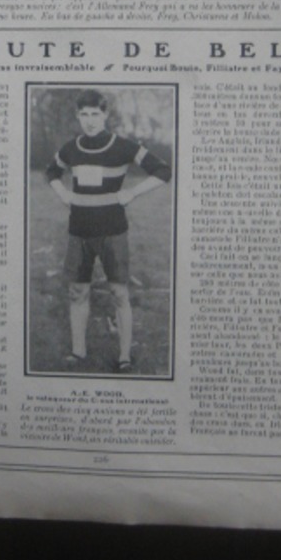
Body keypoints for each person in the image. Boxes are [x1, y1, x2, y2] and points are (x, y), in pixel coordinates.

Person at [46, 89, 171, 373]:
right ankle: (79, 353)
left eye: (95, 114)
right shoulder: (72, 147)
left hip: (113, 231)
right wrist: (62, 192)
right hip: (79, 230)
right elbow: (52, 171)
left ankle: (124, 357)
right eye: (84, 115)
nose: (89, 121)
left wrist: (133, 192)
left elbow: (163, 170)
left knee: (119, 293)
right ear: (78, 116)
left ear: (105, 115)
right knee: (77, 291)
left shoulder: (123, 146)